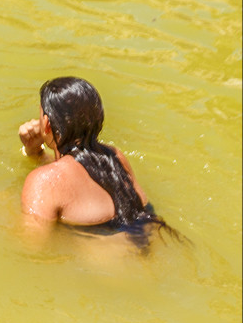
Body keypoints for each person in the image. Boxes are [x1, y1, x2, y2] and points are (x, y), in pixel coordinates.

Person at [18, 76, 173, 240]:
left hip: (106, 252)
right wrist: (35, 152)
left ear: (47, 123)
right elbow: (77, 171)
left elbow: (31, 244)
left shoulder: (43, 182)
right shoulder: (114, 157)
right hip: (149, 237)